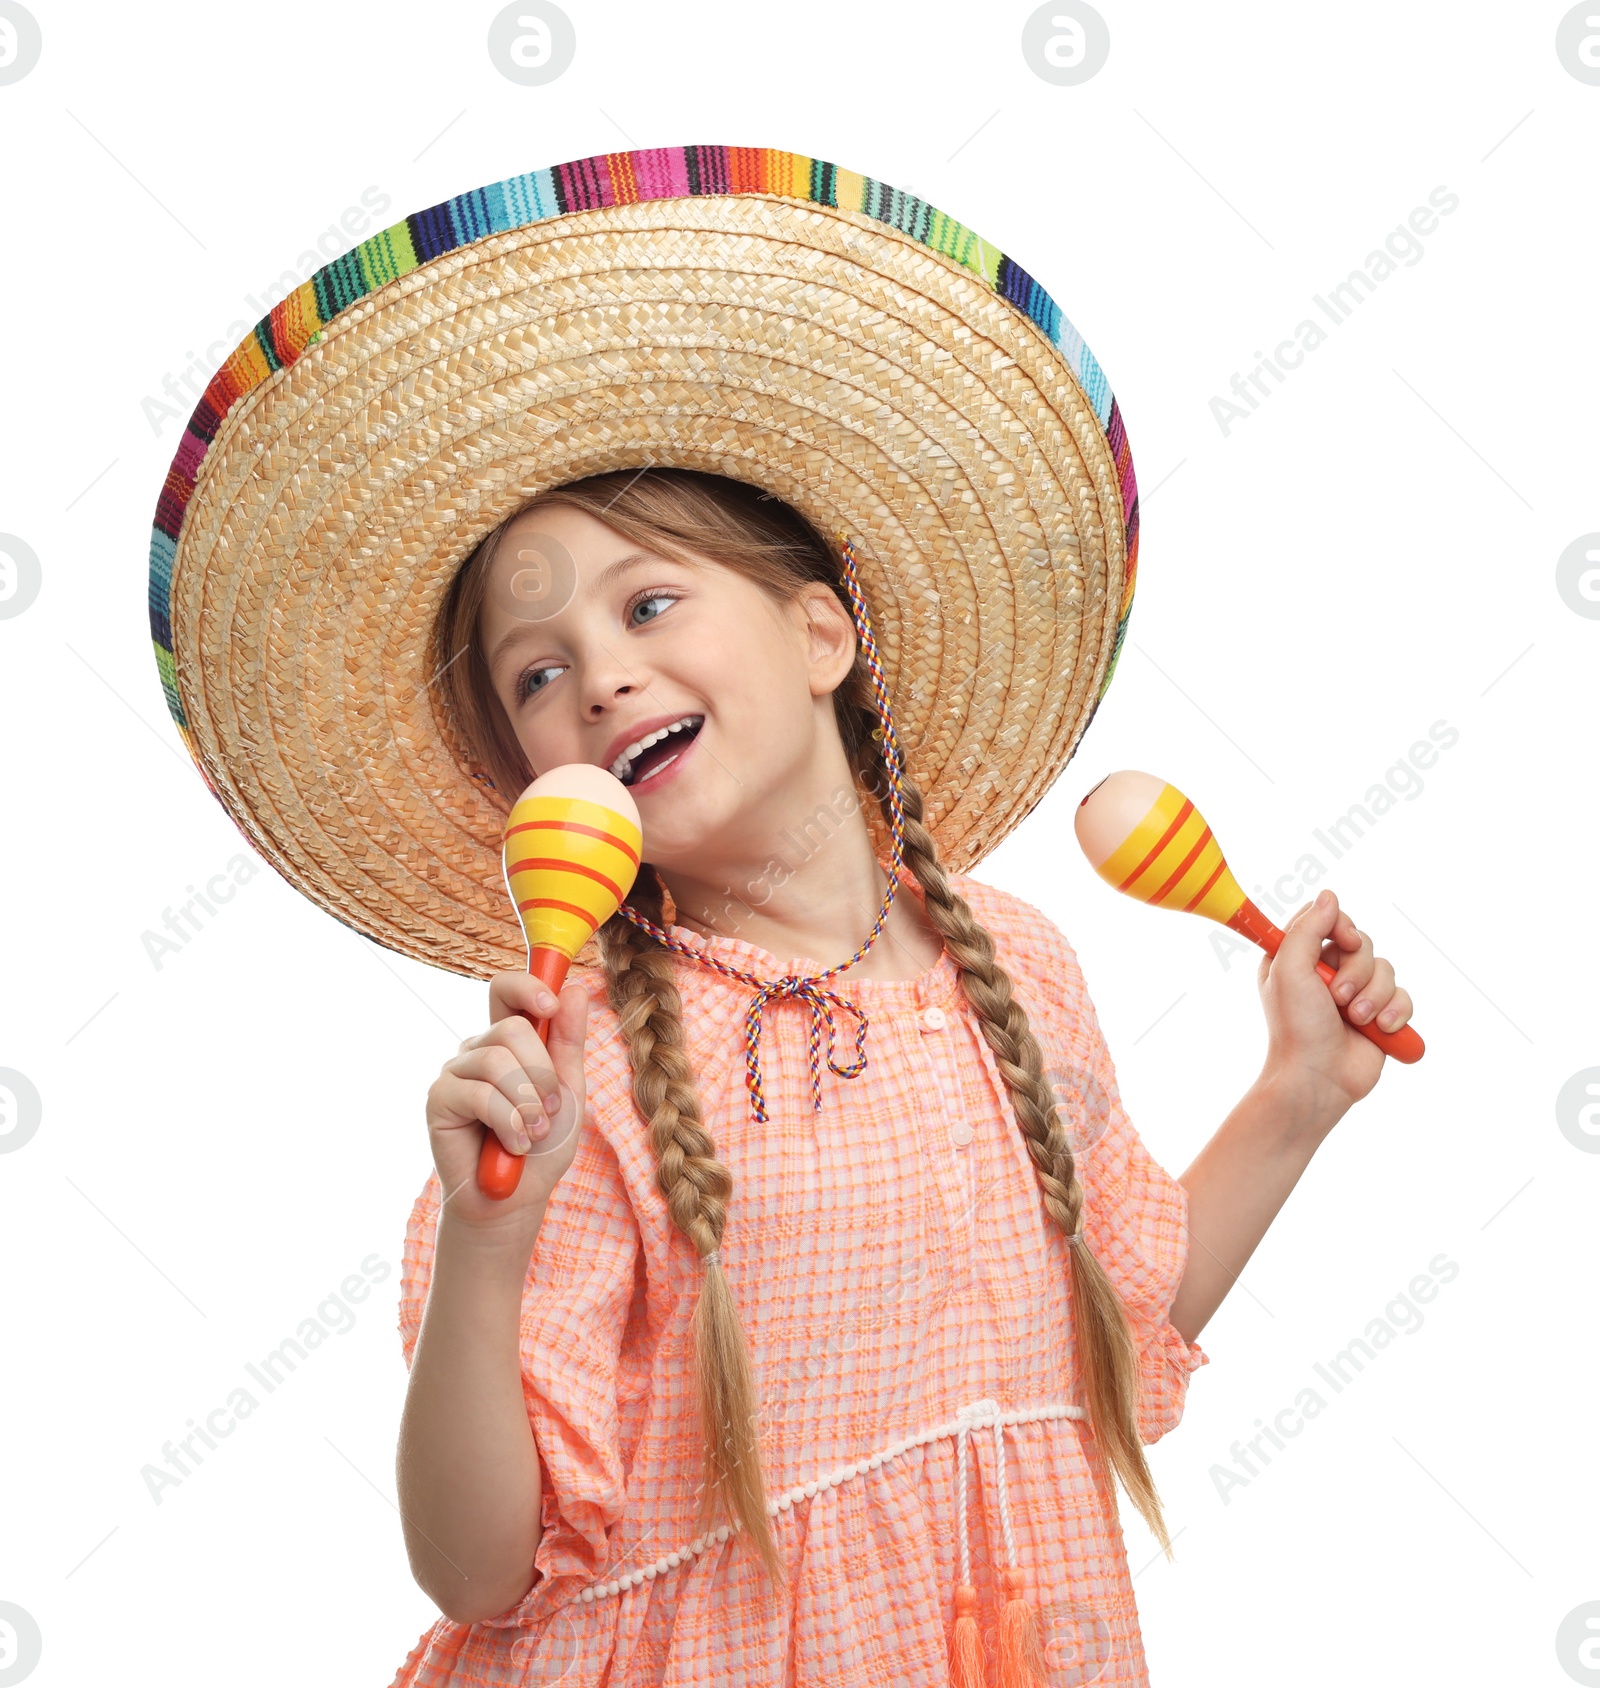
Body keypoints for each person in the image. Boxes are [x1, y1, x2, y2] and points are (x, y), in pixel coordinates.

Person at [145, 147, 1414, 1687]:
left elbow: (1094, 1336)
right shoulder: (583, 1066)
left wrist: (1296, 1093)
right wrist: (488, 1246)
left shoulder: (1015, 962)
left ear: (821, 630)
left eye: (650, 603)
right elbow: (478, 1567)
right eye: (535, 672)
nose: (599, 673)